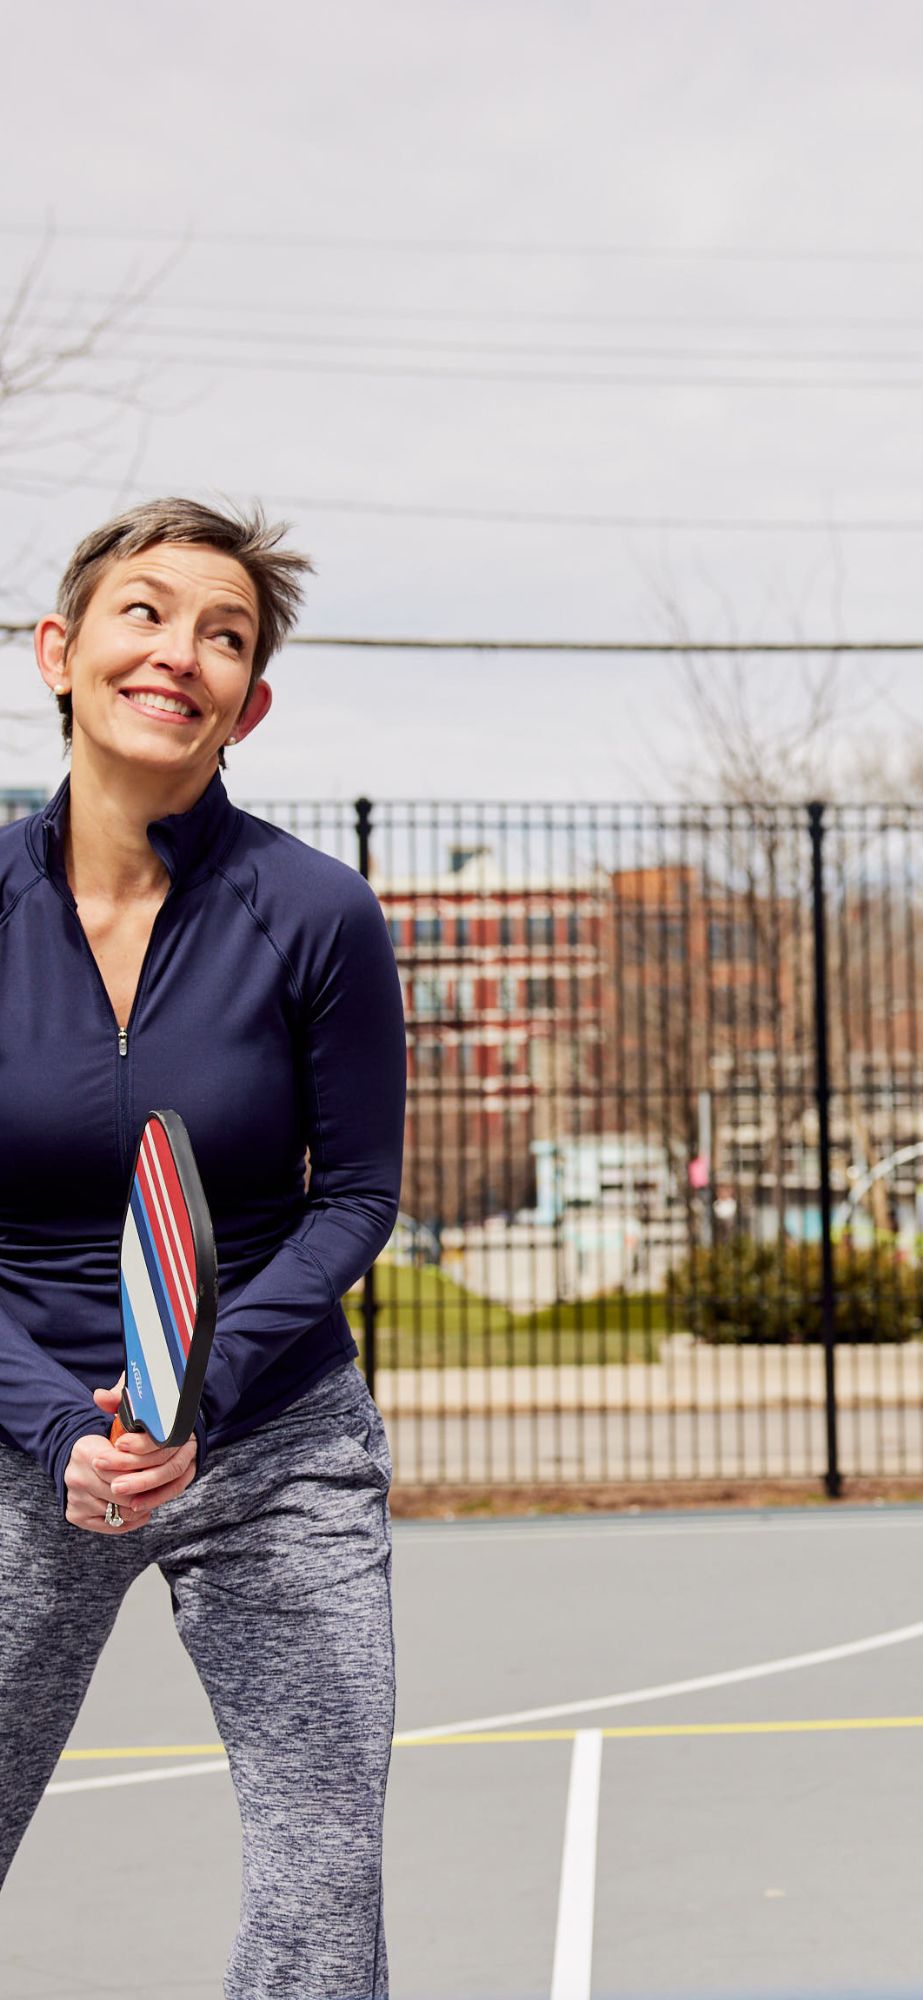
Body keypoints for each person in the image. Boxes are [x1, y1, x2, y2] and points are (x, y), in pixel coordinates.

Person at [0, 501, 406, 1997]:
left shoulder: (317, 914)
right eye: (145, 614)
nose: (180, 653)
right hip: (23, 1431)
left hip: (276, 1438)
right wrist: (63, 1430)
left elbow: (356, 1197)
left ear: (253, 700)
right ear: (62, 650)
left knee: (323, 1877)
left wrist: (199, 1397)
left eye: (225, 636)